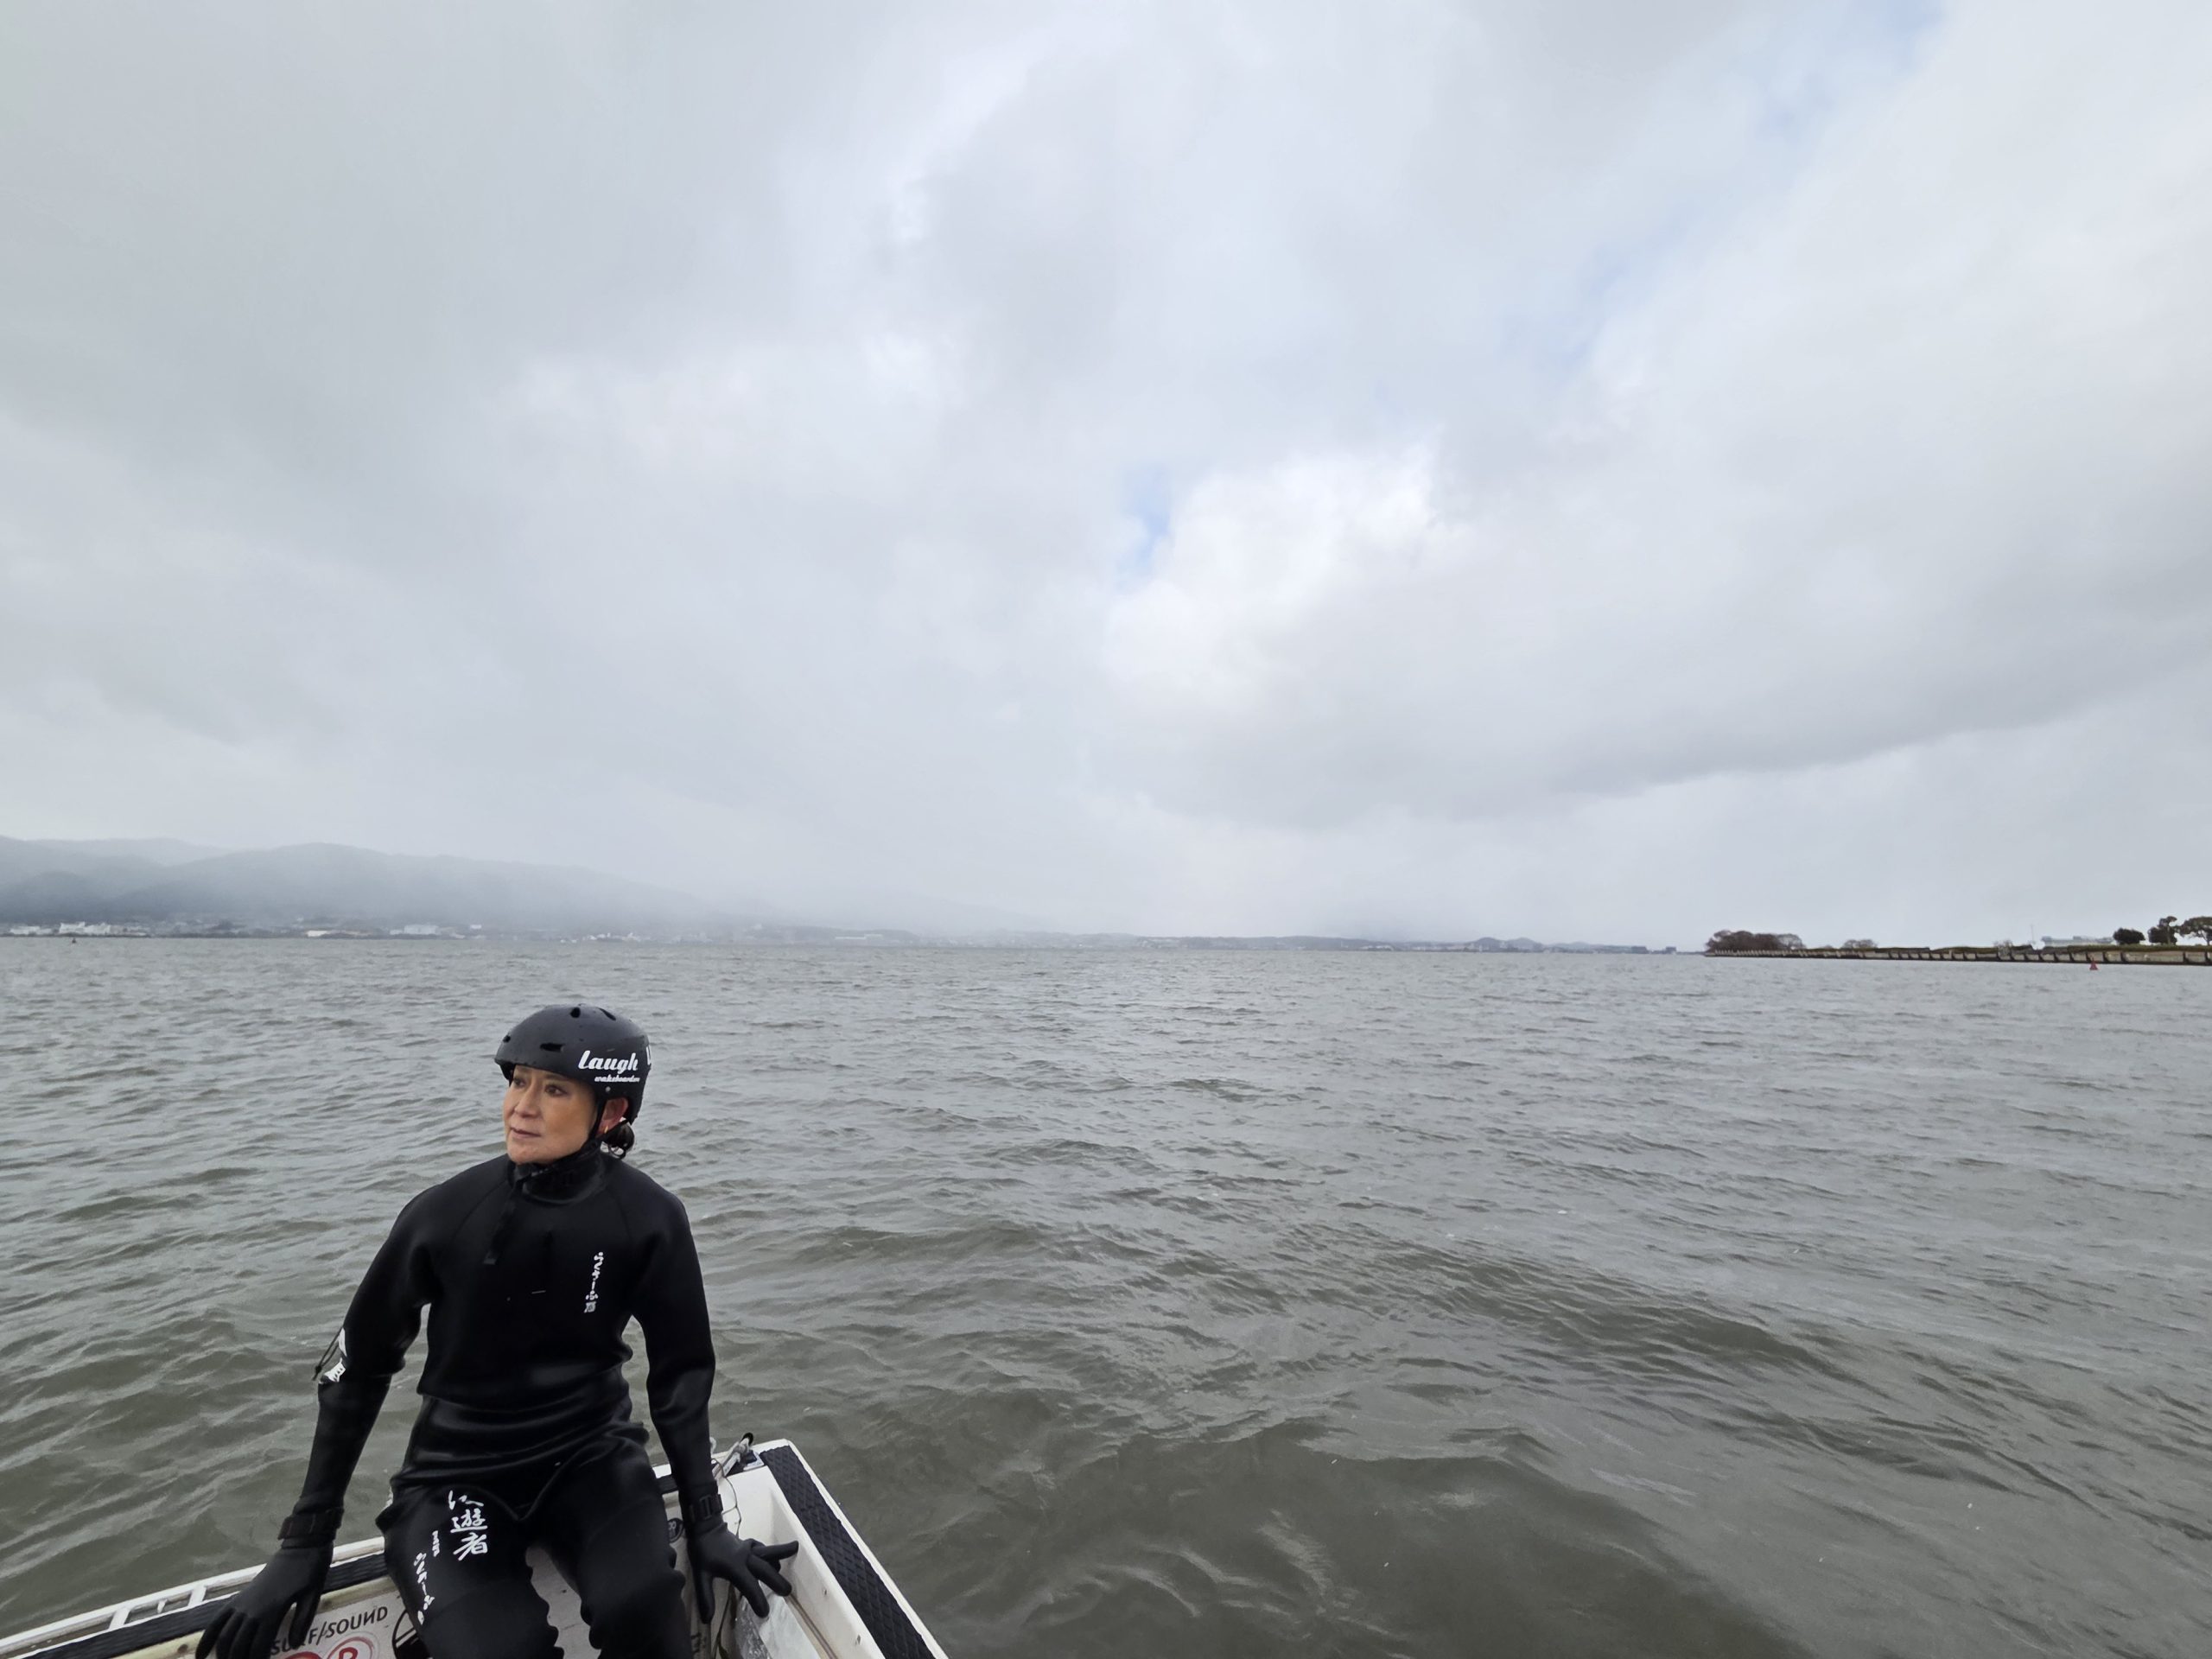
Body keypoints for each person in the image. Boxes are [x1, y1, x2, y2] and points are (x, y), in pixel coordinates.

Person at [197, 1003, 798, 1659]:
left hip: (591, 1460)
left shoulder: (650, 1219)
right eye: (518, 1082)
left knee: (645, 1608)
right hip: (457, 1477)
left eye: (555, 1089)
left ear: (612, 1113)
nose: (521, 1107)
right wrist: (305, 1539)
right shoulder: (446, 1215)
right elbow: (357, 1370)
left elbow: (681, 1376)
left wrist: (707, 1523)